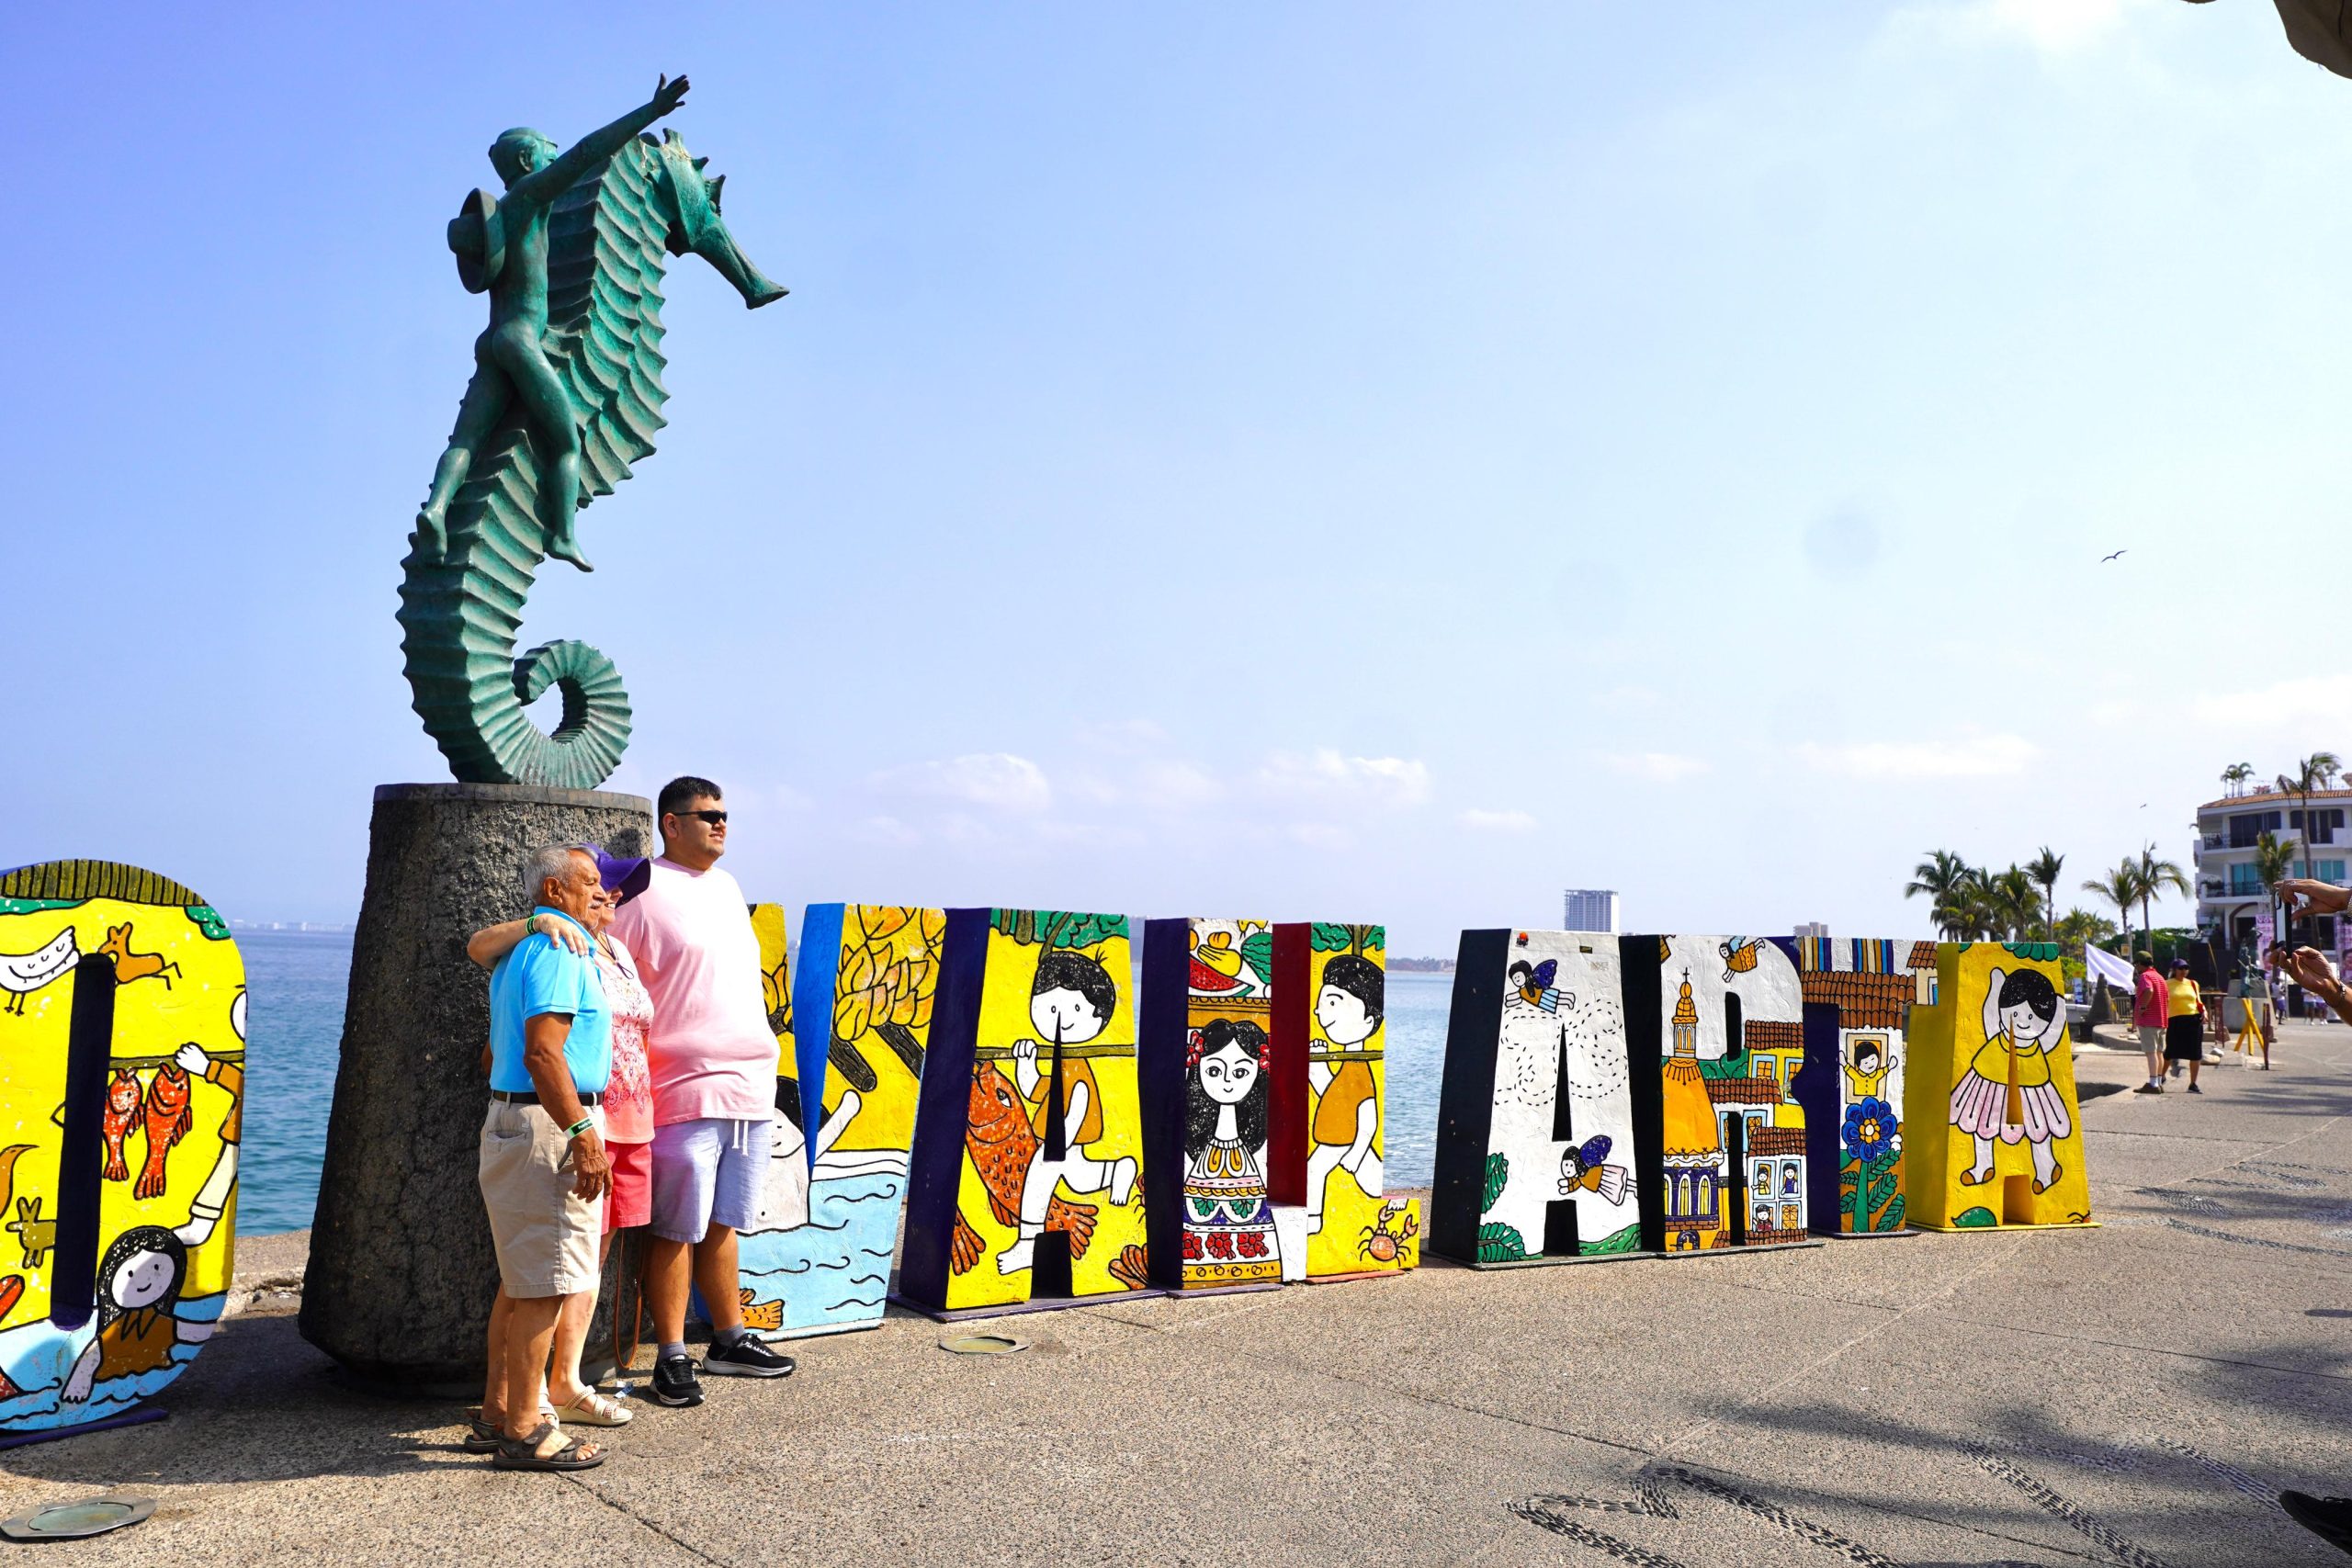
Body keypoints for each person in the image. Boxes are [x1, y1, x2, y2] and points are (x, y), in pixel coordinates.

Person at [415, 74, 692, 569]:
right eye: (547, 151)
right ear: (526, 162)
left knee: (465, 441)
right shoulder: (528, 198)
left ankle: (436, 509)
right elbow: (587, 153)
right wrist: (650, 113)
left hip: (493, 341)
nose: (553, 158)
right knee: (568, 440)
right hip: (522, 339)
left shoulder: (494, 219)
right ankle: (563, 534)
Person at [611, 777, 796, 1407]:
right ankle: (669, 1353)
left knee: (725, 1219)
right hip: (681, 1082)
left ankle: (729, 1337)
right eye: (707, 814)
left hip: (748, 1082)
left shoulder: (727, 886)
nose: (721, 824)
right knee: (675, 1225)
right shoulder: (640, 890)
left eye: (725, 815)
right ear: (671, 822)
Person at [469, 847, 653, 1432]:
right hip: (549, 1125)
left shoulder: (525, 948)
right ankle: (527, 1428)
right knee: (549, 1284)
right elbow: (543, 1052)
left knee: (524, 1284)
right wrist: (582, 1132)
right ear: (555, 891)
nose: (604, 892)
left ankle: (501, 1411)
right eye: (591, 882)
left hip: (519, 1118)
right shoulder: (559, 948)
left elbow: (498, 1052)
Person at [2130, 951, 2168, 1095]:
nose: (2136, 968)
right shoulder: (2160, 977)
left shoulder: (2145, 976)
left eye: (2136, 965)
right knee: (2159, 1052)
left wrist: (2142, 1007)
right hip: (2161, 1020)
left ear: (2139, 964)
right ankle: (2158, 1082)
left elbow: (2148, 990)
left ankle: (2152, 1085)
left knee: (2151, 1053)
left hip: (2148, 1021)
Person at [2165, 959, 2205, 1094]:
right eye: (2181, 968)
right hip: (2175, 1020)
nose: (2183, 971)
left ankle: (2193, 1083)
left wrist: (2204, 1011)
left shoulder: (2193, 984)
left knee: (2196, 1053)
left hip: (2193, 1019)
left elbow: (2198, 1001)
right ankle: (2160, 1077)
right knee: (2170, 1051)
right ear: (2174, 970)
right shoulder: (2167, 984)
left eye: (2186, 968)